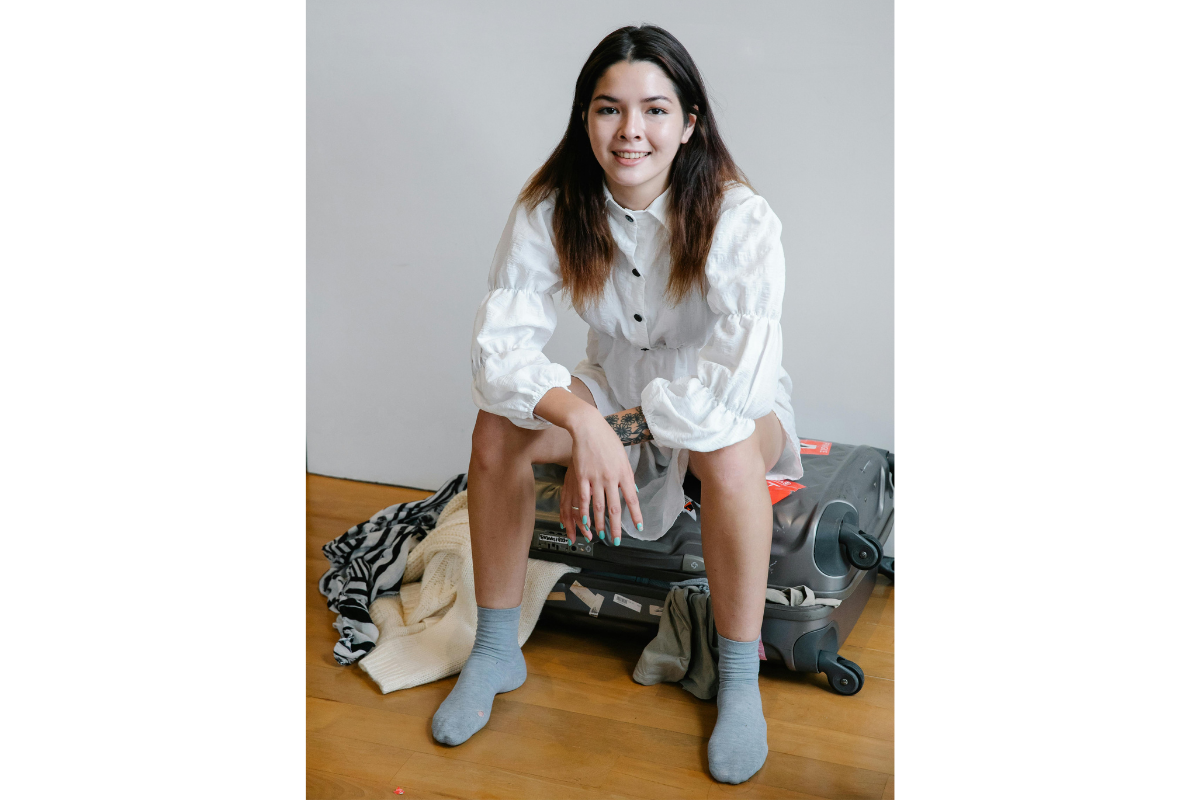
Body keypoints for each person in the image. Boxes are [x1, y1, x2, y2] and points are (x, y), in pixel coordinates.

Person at [432, 24, 804, 785]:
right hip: (608, 385)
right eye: (609, 109)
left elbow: (736, 388)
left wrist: (613, 430)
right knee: (497, 430)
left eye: (655, 110)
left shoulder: (739, 218)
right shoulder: (549, 208)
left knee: (730, 453)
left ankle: (739, 681)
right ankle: (497, 650)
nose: (631, 130)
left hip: (716, 402)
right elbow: (498, 354)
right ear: (584, 119)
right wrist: (583, 420)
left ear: (689, 121)